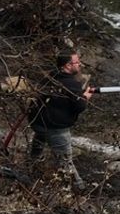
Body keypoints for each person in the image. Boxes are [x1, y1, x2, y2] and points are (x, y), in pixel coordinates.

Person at [28, 50, 93, 185]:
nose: (79, 64)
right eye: (76, 62)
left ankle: (31, 171)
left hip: (38, 122)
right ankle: (78, 188)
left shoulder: (50, 77)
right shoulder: (71, 84)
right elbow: (80, 107)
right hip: (55, 127)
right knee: (65, 162)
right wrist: (85, 97)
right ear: (68, 65)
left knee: (37, 148)